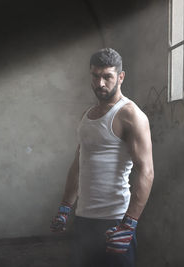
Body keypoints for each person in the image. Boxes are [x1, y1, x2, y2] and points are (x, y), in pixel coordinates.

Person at [50, 48, 154, 267]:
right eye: (96, 76)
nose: (100, 83)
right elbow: (79, 164)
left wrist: (129, 224)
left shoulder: (130, 114)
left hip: (114, 221)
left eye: (107, 76)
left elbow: (146, 171)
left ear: (121, 77)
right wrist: (65, 207)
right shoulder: (87, 116)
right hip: (83, 219)